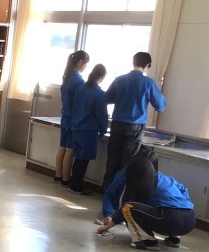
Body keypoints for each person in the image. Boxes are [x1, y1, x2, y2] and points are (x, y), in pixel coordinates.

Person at [97, 154, 195, 251]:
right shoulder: (167, 179)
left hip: (169, 220)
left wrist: (107, 226)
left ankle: (146, 241)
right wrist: (181, 205)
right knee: (169, 207)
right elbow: (184, 190)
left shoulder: (143, 184)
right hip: (190, 220)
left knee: (128, 207)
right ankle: (174, 238)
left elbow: (126, 209)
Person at [102, 52, 166, 187]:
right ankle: (121, 193)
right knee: (127, 163)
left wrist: (122, 98)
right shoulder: (148, 83)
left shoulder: (119, 80)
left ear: (133, 62)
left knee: (112, 160)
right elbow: (160, 106)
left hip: (117, 124)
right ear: (148, 65)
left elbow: (106, 98)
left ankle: (107, 191)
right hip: (135, 127)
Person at [69, 63, 108, 195]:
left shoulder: (81, 89)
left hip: (76, 128)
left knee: (78, 158)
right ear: (102, 77)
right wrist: (103, 129)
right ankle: (77, 187)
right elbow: (102, 115)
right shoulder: (99, 94)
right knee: (83, 160)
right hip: (88, 130)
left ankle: (74, 184)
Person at [54, 50, 90, 187]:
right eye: (86, 64)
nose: (86, 67)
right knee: (70, 149)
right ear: (81, 62)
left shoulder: (67, 76)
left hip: (65, 116)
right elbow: (81, 102)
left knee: (62, 146)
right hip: (73, 119)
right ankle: (66, 178)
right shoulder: (78, 80)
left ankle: (58, 175)